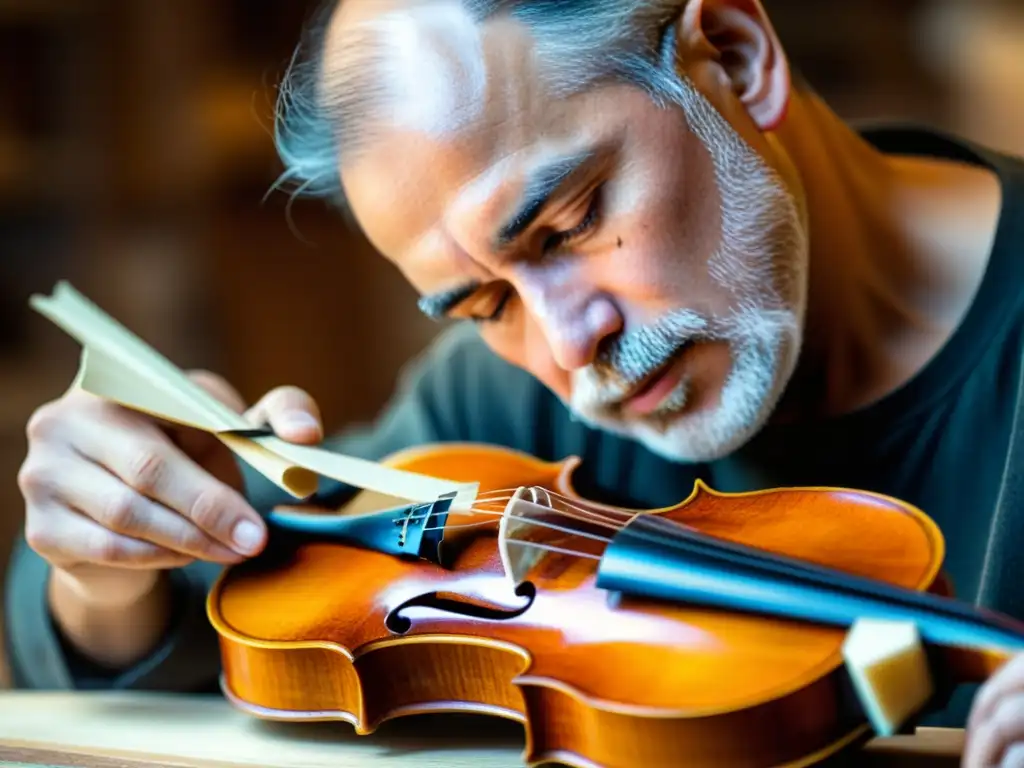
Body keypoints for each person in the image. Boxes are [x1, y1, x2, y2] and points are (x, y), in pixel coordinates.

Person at [4, 0, 1024, 763]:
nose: (567, 347)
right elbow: (196, 620)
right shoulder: (498, 410)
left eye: (571, 223)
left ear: (733, 57)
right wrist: (106, 560)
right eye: (483, 304)